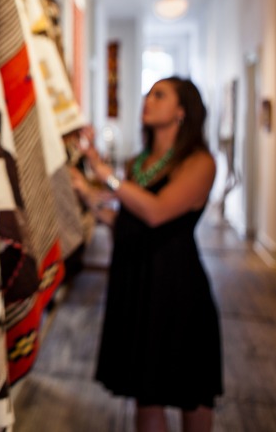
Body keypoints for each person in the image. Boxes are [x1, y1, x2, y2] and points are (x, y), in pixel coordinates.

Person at [79, 76, 223, 432]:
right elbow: (126, 223)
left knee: (192, 391)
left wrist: (106, 178)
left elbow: (157, 211)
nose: (148, 100)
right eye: (147, 94)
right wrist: (87, 195)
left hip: (177, 287)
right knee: (147, 391)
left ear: (181, 111)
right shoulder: (138, 164)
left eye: (159, 95)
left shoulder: (199, 163)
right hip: (138, 281)